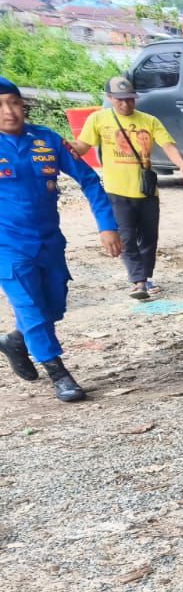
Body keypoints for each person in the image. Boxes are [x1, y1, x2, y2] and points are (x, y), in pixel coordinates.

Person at [0, 75, 122, 403]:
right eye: (0, 106)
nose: (9, 111)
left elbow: (90, 181)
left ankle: (15, 341)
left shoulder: (48, 140)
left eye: (13, 102)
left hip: (50, 242)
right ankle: (58, 373)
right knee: (31, 306)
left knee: (52, 306)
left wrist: (107, 226)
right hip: (8, 247)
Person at [66, 75, 183, 301]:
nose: (125, 104)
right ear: (110, 98)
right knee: (126, 237)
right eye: (120, 100)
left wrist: (182, 165)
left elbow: (167, 144)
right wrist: (66, 147)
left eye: (130, 99)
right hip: (116, 191)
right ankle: (138, 281)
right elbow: (82, 146)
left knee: (149, 237)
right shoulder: (98, 120)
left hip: (146, 190)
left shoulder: (149, 121)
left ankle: (145, 276)